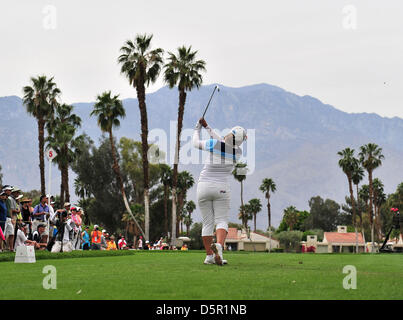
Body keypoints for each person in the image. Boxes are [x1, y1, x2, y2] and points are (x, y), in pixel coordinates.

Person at [193, 117, 246, 265]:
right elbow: (224, 143)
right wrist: (208, 127)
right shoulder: (238, 152)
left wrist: (197, 128)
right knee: (221, 220)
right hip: (222, 188)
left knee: (207, 223)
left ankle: (209, 256)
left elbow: (195, 143)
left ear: (230, 135)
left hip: (204, 186)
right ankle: (219, 248)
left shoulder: (214, 144)